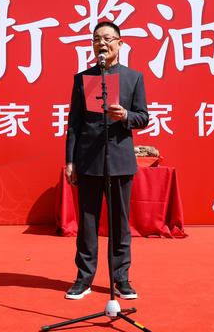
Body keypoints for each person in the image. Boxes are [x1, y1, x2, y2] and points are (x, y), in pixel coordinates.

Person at [64, 21, 149, 300]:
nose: (102, 43)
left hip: (120, 160)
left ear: (120, 44)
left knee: (119, 223)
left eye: (108, 38)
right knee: (87, 224)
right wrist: (70, 161)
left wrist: (125, 116)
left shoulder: (133, 78)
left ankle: (121, 278)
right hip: (88, 160)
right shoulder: (83, 78)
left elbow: (143, 117)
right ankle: (83, 278)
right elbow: (74, 123)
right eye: (97, 39)